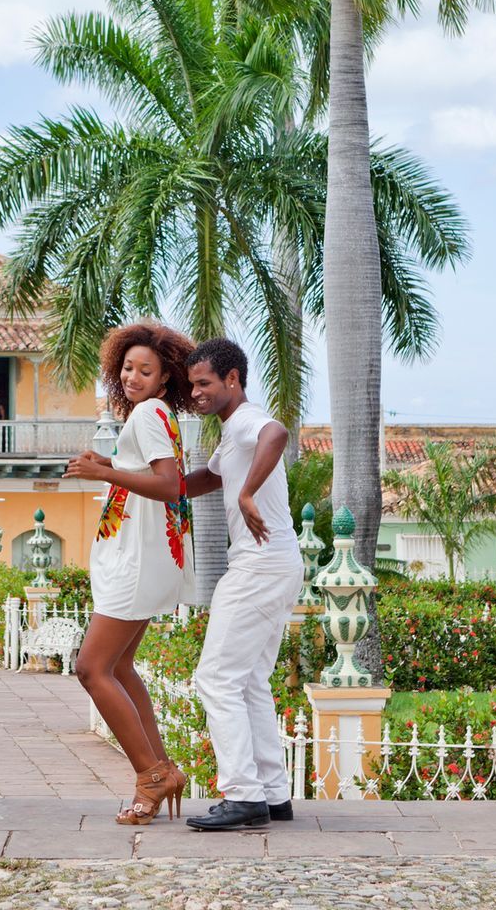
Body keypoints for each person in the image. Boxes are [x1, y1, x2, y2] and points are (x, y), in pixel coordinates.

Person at [62, 321, 195, 825]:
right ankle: (163, 770)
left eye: (146, 370)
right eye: (127, 368)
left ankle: (151, 776)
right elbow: (150, 477)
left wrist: (102, 471)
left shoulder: (147, 413)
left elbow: (166, 485)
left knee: (90, 668)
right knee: (118, 668)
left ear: (165, 379)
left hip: (137, 562)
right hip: (147, 557)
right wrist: (109, 460)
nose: (134, 376)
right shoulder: (155, 414)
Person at [179, 338, 303, 831]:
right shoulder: (231, 435)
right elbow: (198, 481)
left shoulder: (251, 421)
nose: (196, 394)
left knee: (216, 679)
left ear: (232, 380)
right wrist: (124, 478)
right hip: (274, 563)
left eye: (204, 383)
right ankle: (273, 795)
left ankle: (243, 796)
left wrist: (248, 492)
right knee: (250, 681)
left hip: (258, 564)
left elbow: (278, 432)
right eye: (192, 385)